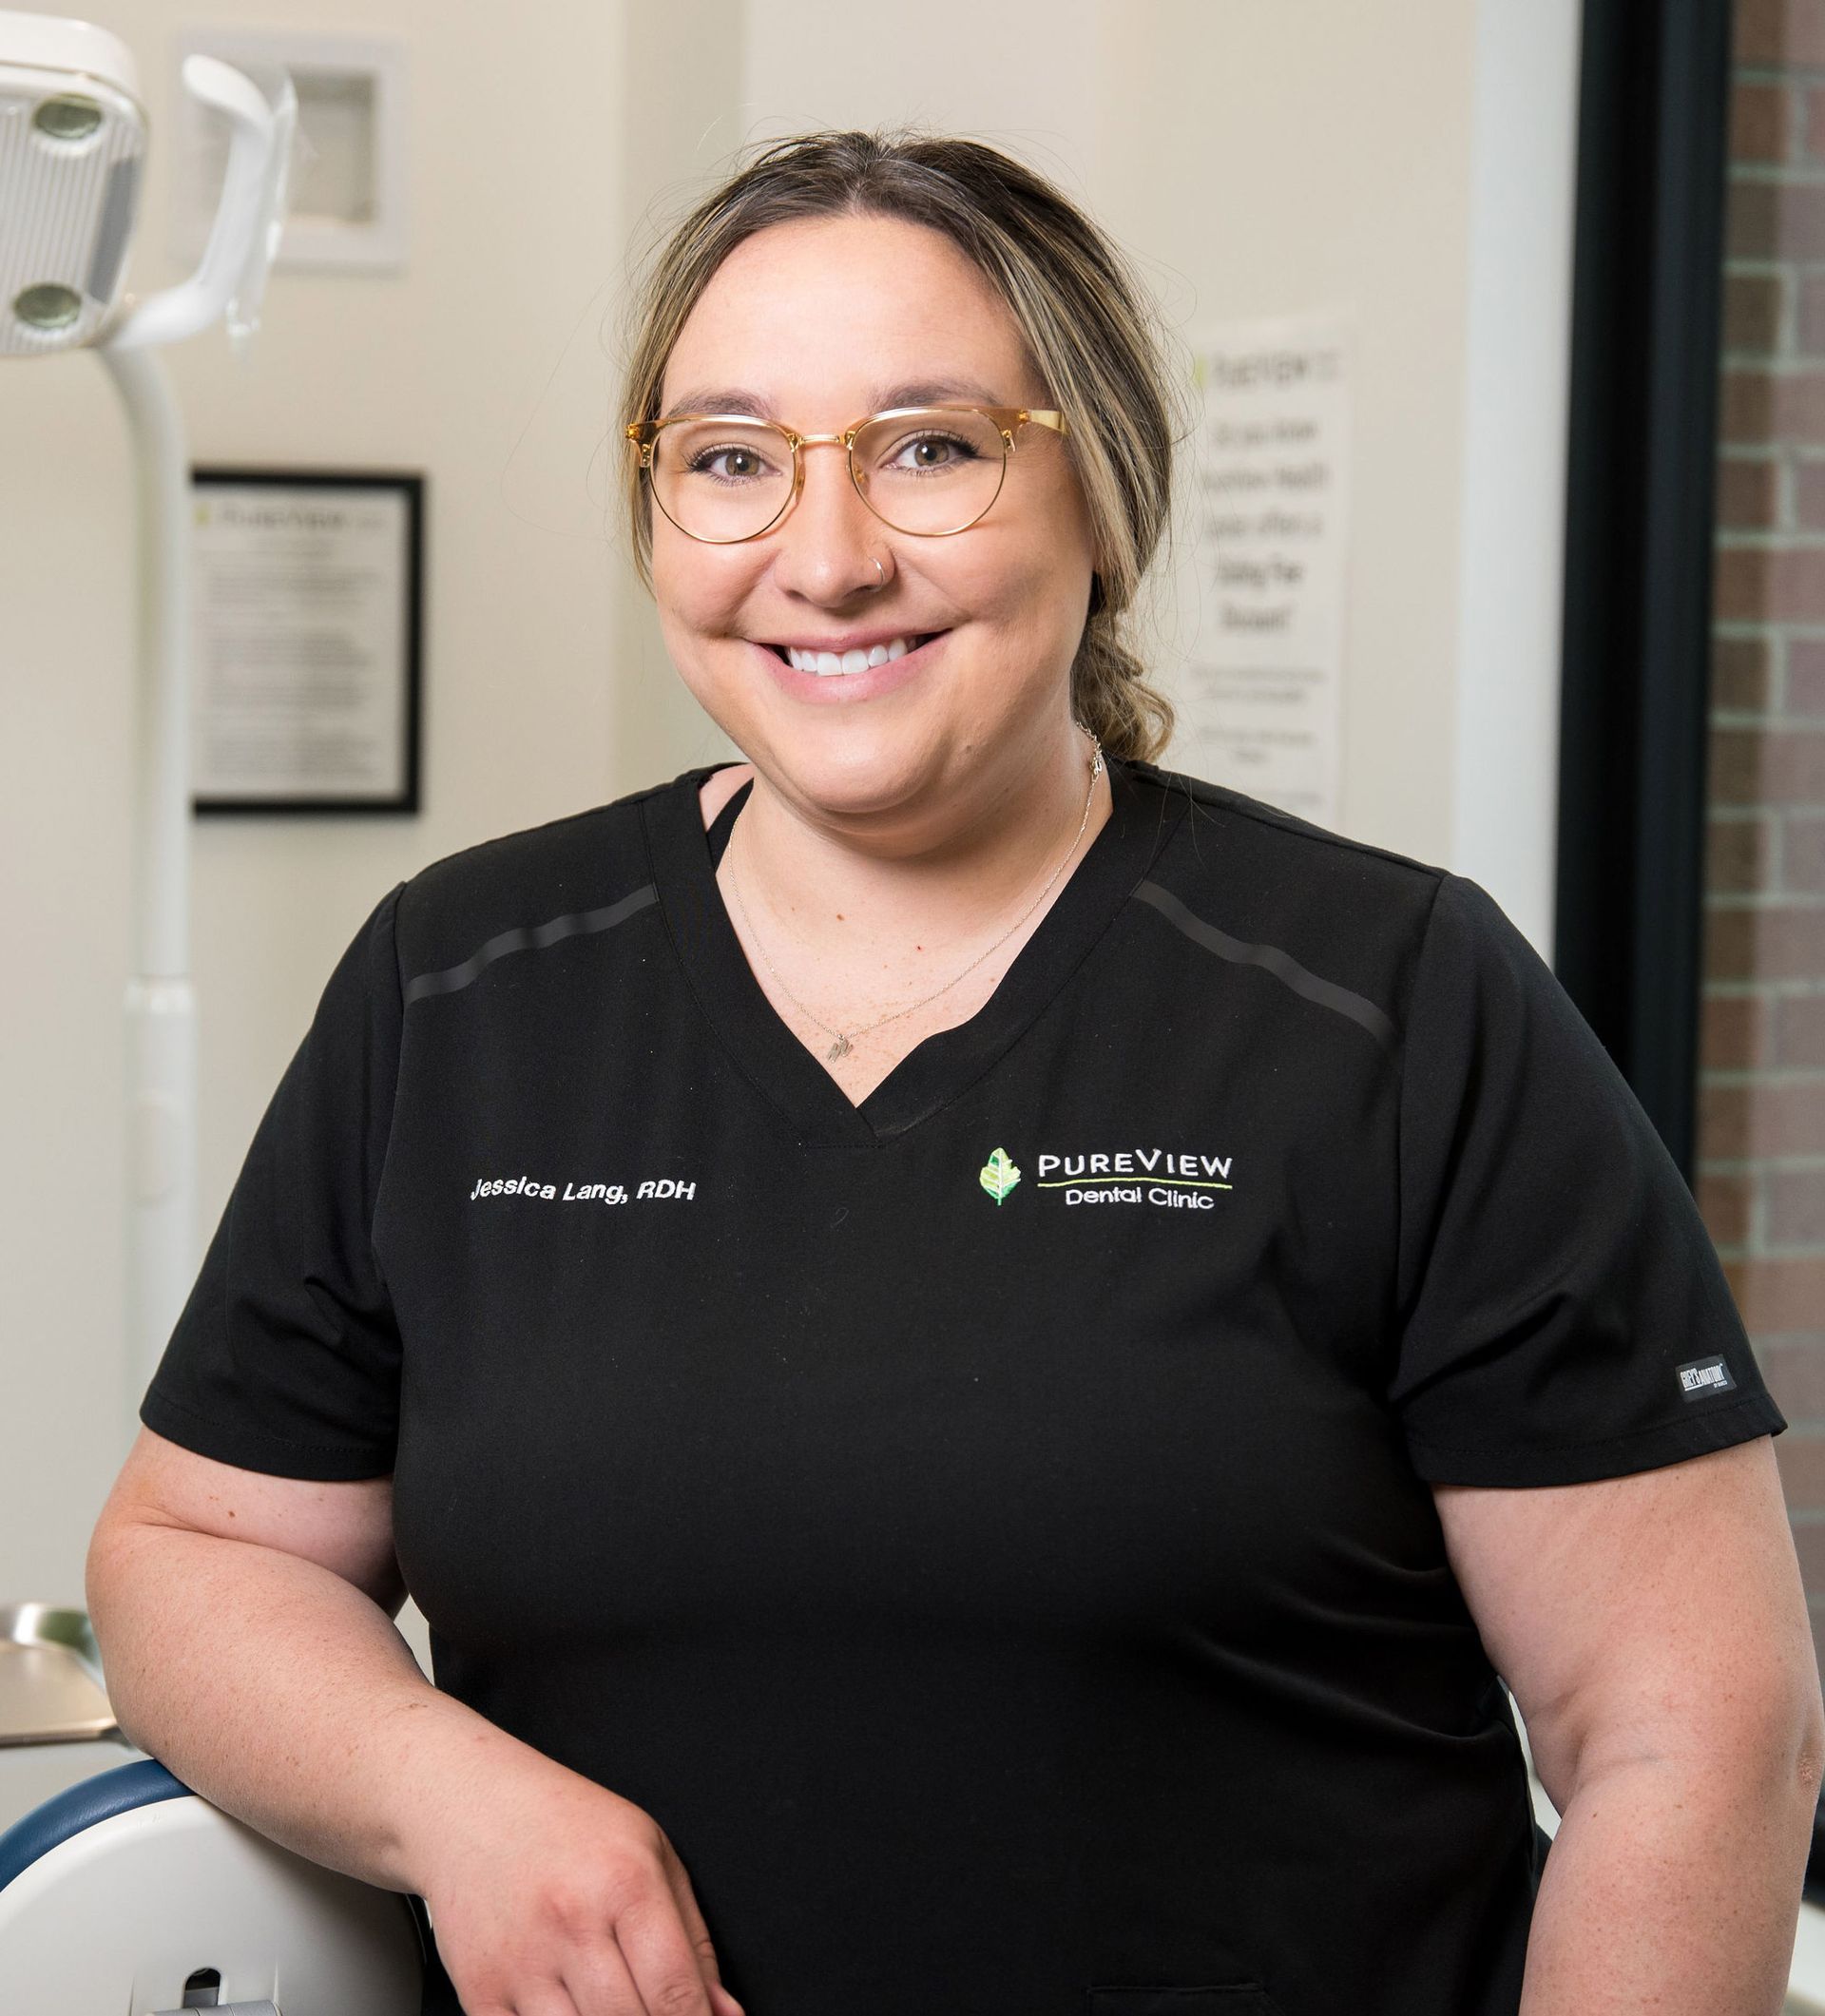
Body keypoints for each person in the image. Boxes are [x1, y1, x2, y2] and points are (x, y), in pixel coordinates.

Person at [86, 128, 1821, 2016]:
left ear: (1106, 496)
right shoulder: (463, 987)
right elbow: (194, 1552)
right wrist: (450, 1794)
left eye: (931, 445)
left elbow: (1694, 1732)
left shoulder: (1392, 1005)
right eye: (731, 461)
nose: (826, 561)